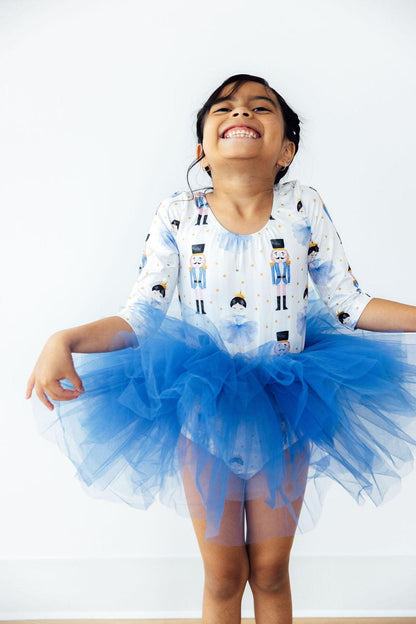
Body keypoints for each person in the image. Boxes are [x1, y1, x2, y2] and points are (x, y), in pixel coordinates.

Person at [26, 73, 416, 624]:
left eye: (261, 107)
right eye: (225, 107)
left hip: (288, 405)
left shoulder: (303, 207)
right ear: (201, 150)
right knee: (224, 574)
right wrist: (62, 339)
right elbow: (141, 315)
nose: (242, 112)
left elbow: (350, 304)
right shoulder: (178, 213)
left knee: (272, 571)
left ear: (286, 151)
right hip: (202, 409)